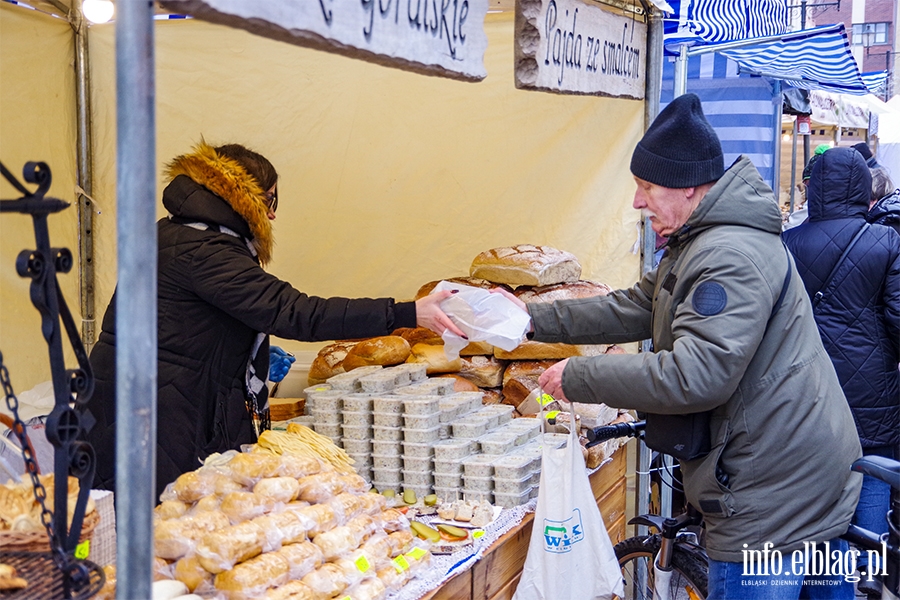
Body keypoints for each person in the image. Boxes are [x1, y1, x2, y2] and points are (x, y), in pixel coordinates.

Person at [497, 94, 862, 599]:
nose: (636, 202)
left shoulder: (727, 253)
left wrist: (577, 376)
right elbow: (633, 307)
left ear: (686, 185)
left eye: (646, 186)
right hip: (793, 473)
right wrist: (530, 320)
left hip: (773, 493)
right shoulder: (699, 241)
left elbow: (697, 375)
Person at [85, 141, 465, 498]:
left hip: (141, 399)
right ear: (242, 197)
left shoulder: (173, 234)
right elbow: (296, 313)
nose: (273, 213)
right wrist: (406, 313)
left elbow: (190, 324)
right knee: (168, 528)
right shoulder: (204, 250)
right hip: (164, 414)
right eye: (270, 199)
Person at [782, 147, 900, 595]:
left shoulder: (786, 245)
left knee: (816, 530)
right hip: (873, 414)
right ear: (861, 189)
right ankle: (864, 589)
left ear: (813, 190)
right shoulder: (887, 243)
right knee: (869, 526)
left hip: (806, 409)